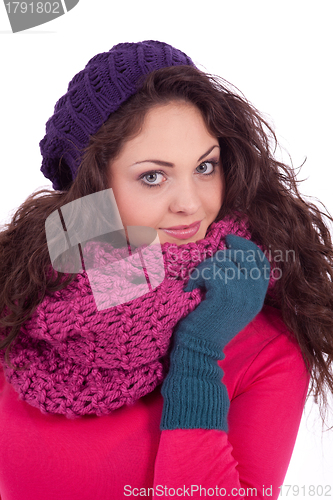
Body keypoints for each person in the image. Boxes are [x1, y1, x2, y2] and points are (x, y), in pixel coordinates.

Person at [0, 40, 333, 500]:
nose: (190, 204)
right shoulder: (24, 302)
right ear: (95, 188)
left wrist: (198, 354)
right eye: (152, 176)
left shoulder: (266, 345)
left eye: (204, 167)